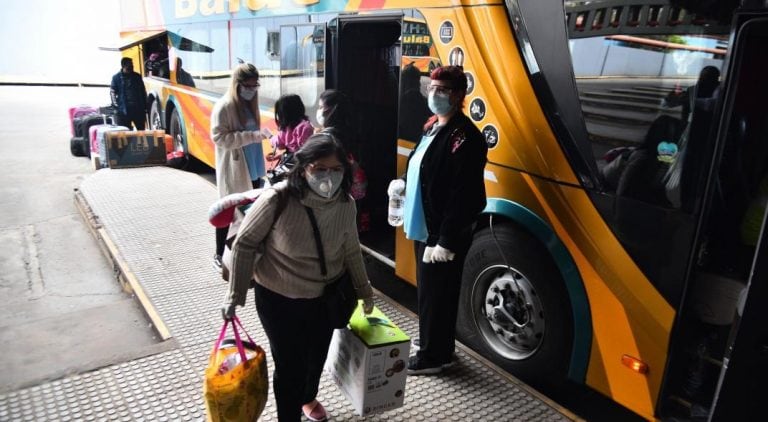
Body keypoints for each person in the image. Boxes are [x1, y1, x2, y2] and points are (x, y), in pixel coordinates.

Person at [222, 133, 376, 422]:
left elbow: (352, 250)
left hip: (324, 298)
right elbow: (244, 243)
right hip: (279, 300)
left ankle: (307, 397)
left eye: (336, 169)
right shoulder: (277, 199)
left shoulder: (345, 204)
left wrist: (365, 291)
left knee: (316, 356)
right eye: (319, 169)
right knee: (289, 365)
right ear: (303, 167)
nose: (328, 177)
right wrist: (235, 295)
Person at [388, 65, 488, 375]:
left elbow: (465, 194)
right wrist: (403, 182)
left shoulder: (465, 137)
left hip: (442, 234)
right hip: (424, 226)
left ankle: (436, 357)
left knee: (439, 294)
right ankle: (435, 342)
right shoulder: (432, 126)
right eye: (431, 88)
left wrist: (446, 240)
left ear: (459, 95)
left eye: (443, 90)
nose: (435, 95)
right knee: (430, 293)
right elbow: (420, 163)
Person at [210, 63, 270, 273]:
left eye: (255, 86)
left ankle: (241, 253)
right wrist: (253, 136)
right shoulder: (225, 106)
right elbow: (219, 137)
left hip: (252, 166)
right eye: (248, 86)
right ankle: (219, 254)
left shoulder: (250, 104)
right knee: (228, 210)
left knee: (247, 211)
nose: (251, 90)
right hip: (236, 167)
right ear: (237, 84)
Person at [110, 57, 147, 130]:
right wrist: (116, 106)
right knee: (126, 132)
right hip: (124, 110)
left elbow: (143, 92)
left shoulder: (137, 77)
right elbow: (112, 92)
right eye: (130, 65)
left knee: (141, 131)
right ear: (123, 66)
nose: (132, 67)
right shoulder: (116, 78)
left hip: (138, 109)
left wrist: (145, 106)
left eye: (132, 65)